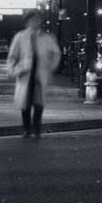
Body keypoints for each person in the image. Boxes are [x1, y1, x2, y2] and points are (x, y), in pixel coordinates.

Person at [6, 10, 61, 139]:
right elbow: (12, 56)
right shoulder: (20, 37)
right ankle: (26, 129)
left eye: (38, 19)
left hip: (40, 74)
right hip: (25, 73)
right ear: (28, 21)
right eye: (33, 19)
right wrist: (12, 70)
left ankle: (36, 129)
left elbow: (56, 53)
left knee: (38, 103)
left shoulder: (47, 37)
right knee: (25, 103)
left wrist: (51, 67)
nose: (36, 21)